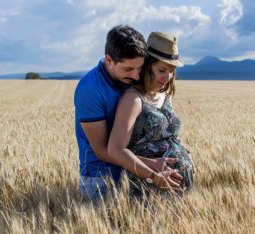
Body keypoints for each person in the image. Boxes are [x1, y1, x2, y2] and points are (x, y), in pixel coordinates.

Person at [74, 25, 182, 203]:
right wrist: (150, 167)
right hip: (102, 179)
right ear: (109, 60)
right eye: (128, 69)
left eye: (139, 68)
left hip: (134, 174)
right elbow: (102, 151)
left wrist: (175, 149)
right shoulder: (90, 90)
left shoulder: (130, 78)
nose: (136, 76)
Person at [108, 31, 195, 199]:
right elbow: (115, 149)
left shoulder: (166, 96)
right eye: (162, 70)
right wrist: (153, 176)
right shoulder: (133, 100)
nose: (167, 77)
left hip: (178, 186)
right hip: (149, 187)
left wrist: (182, 152)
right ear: (147, 66)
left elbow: (168, 135)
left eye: (171, 71)